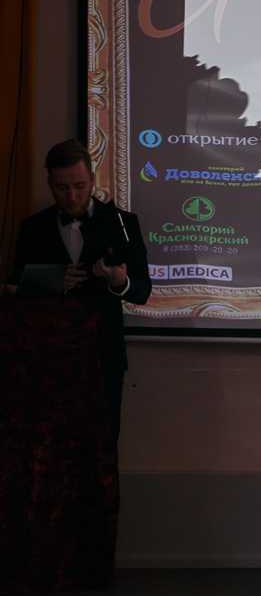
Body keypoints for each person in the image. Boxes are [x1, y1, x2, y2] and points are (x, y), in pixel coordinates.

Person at [13, 138, 152, 440]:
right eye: (62, 188)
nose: (72, 196)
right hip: (46, 358)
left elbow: (142, 291)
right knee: (48, 447)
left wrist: (119, 281)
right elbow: (14, 289)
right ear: (50, 184)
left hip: (102, 357)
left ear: (92, 179)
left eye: (79, 185)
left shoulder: (123, 223)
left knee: (102, 444)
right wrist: (50, 280)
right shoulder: (32, 228)